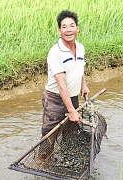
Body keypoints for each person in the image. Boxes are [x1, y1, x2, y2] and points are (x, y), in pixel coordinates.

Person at [41, 10, 90, 138]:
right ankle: (43, 158)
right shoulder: (55, 52)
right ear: (59, 30)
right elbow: (61, 85)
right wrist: (71, 110)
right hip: (54, 100)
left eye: (72, 26)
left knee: (71, 134)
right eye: (64, 27)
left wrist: (83, 85)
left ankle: (64, 157)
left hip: (73, 97)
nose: (68, 30)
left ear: (77, 29)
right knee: (49, 136)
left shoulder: (80, 48)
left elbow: (80, 67)